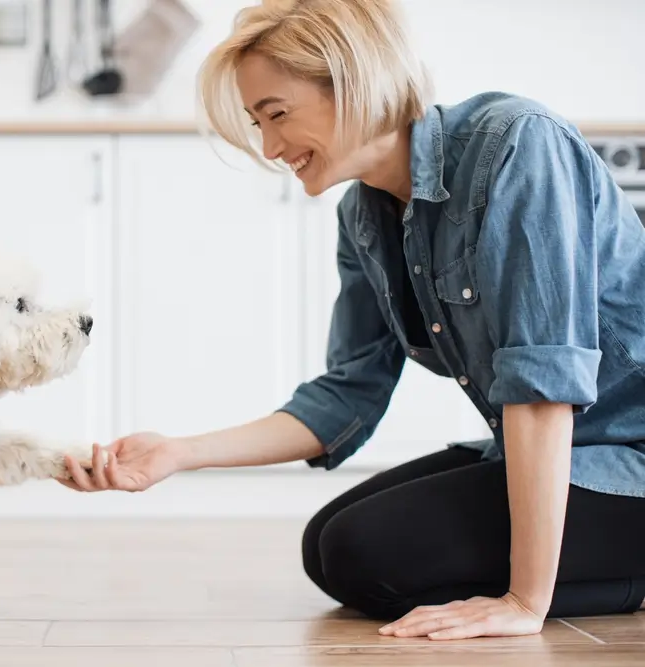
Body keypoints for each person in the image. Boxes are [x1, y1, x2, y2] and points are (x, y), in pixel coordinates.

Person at [58, 0, 645, 641]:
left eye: (277, 115)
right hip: (565, 456)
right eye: (258, 123)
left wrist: (524, 603)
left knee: (371, 551)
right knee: (331, 547)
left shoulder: (515, 145)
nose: (271, 146)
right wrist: (179, 453)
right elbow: (347, 397)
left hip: (627, 461)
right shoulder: (363, 217)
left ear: (354, 81)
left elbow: (542, 383)